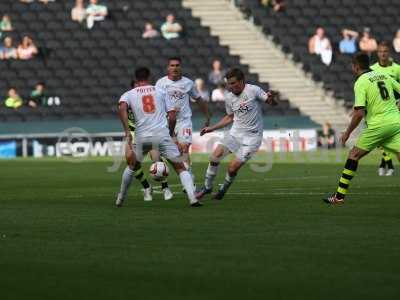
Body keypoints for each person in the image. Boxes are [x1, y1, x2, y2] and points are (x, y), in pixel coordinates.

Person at [116, 67, 202, 207]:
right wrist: (170, 134)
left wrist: (127, 131)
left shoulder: (129, 94)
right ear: (149, 77)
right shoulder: (161, 91)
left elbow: (121, 108)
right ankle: (193, 198)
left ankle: (120, 197)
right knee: (180, 167)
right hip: (161, 134)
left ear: (136, 79)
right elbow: (172, 116)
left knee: (132, 166)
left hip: (141, 136)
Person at [324, 53, 400, 204]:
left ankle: (339, 197)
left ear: (356, 66)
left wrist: (347, 133)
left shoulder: (361, 82)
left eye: (353, 66)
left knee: (354, 155)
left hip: (378, 125)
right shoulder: (383, 75)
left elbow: (359, 113)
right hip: (396, 123)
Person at [196, 68, 278, 200]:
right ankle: (207, 187)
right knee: (214, 157)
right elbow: (229, 117)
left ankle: (222, 190)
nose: (231, 86)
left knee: (232, 168)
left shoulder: (253, 90)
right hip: (235, 133)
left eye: (234, 83)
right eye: (229, 83)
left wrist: (272, 98)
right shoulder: (228, 97)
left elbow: (270, 102)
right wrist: (212, 128)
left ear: (242, 81)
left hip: (252, 138)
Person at [155, 57, 210, 188]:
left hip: (184, 121)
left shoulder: (188, 83)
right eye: (172, 65)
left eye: (177, 65)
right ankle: (185, 176)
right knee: (175, 152)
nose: (175, 68)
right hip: (166, 121)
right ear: (168, 68)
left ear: (181, 67)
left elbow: (198, 99)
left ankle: (190, 182)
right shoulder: (160, 84)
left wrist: (207, 115)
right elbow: (156, 103)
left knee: (184, 148)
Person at [123, 79, 174, 201]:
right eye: (136, 86)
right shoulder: (128, 98)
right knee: (130, 160)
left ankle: (165, 187)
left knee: (155, 157)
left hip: (148, 131)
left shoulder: (150, 97)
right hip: (133, 132)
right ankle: (146, 187)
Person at [370, 41, 400, 176]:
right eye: (381, 51)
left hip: (395, 109)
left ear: (389, 53)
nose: (383, 54)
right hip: (379, 110)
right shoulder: (372, 69)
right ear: (377, 53)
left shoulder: (397, 69)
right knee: (381, 140)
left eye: (385, 51)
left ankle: (388, 165)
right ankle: (387, 164)